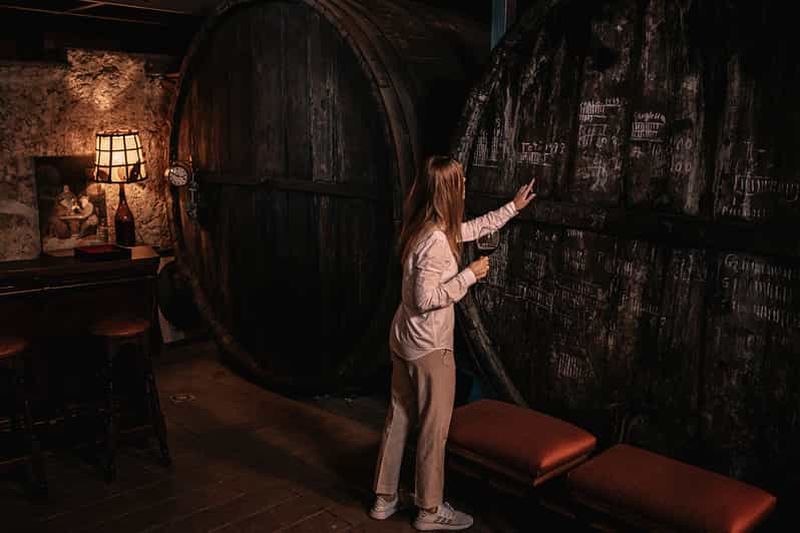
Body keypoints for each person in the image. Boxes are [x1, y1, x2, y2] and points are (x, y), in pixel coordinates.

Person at [370, 155, 536, 530]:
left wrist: (513, 206)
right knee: (433, 430)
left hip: (404, 340)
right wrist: (469, 276)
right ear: (447, 190)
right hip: (429, 348)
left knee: (398, 418)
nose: (465, 187)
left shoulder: (426, 227)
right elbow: (424, 299)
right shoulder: (436, 242)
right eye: (460, 182)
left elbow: (473, 228)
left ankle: (384, 498)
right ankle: (429, 511)